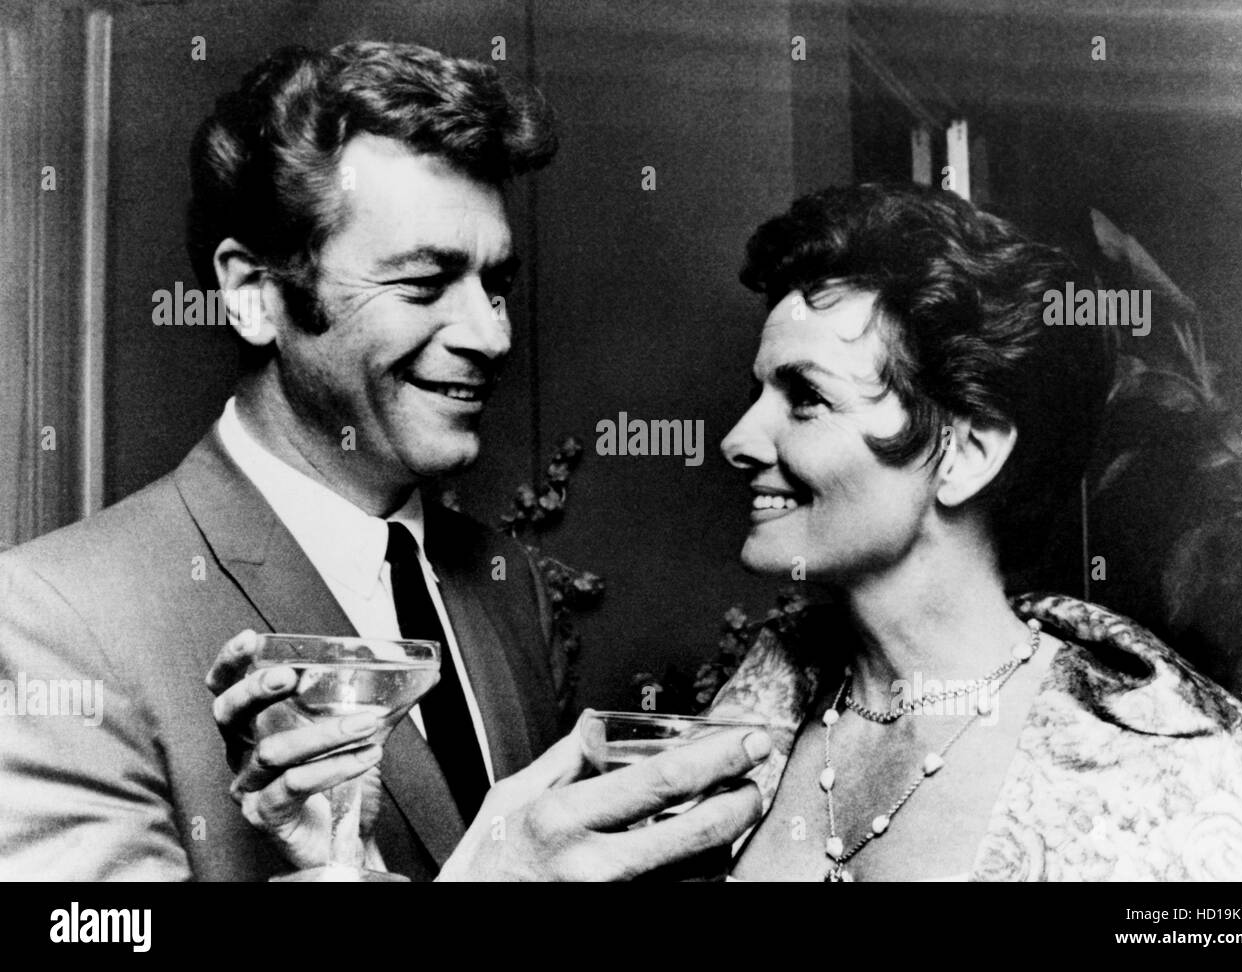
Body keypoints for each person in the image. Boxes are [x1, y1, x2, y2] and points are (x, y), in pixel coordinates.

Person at [0, 41, 768, 881]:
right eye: (423, 283)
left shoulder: (507, 585)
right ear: (255, 291)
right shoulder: (53, 623)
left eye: (495, 284)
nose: (491, 336)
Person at [707, 182, 1242, 881]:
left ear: (966, 454)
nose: (737, 441)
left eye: (805, 397)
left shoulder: (1179, 773)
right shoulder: (761, 700)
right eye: (758, 396)